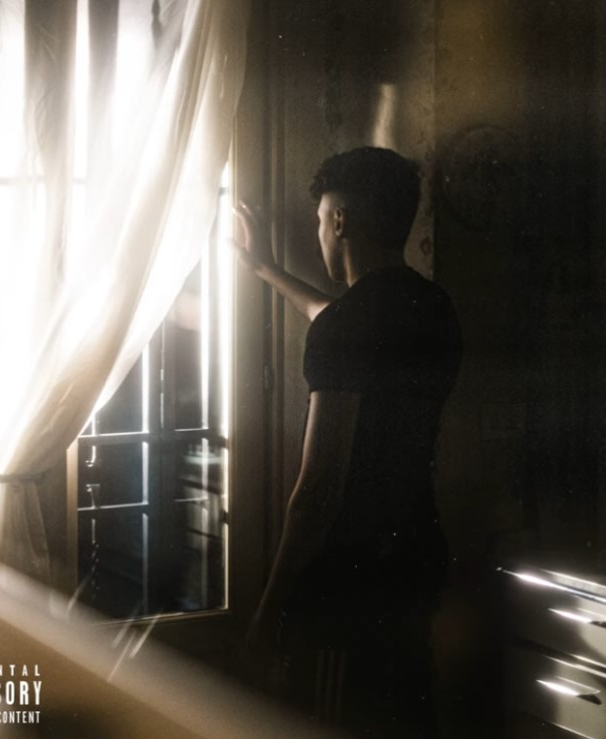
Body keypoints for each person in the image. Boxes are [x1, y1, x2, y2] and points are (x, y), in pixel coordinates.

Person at [235, 147, 462, 737]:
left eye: (319, 220)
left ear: (339, 219)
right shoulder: (434, 306)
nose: (318, 234)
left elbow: (317, 491)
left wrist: (269, 611)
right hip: (416, 559)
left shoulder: (345, 329)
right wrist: (266, 271)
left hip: (351, 581)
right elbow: (336, 318)